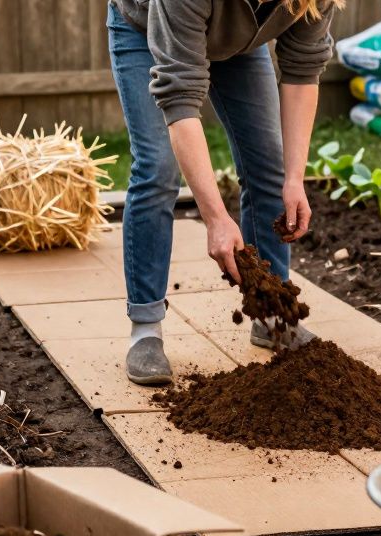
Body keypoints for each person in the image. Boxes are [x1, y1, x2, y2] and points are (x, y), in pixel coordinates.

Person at [108, 0, 344, 385]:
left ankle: (274, 316)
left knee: (269, 164)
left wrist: (294, 179)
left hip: (238, 43)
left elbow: (303, 70)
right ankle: (146, 329)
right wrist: (216, 218)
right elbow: (180, 96)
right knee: (157, 169)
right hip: (147, 27)